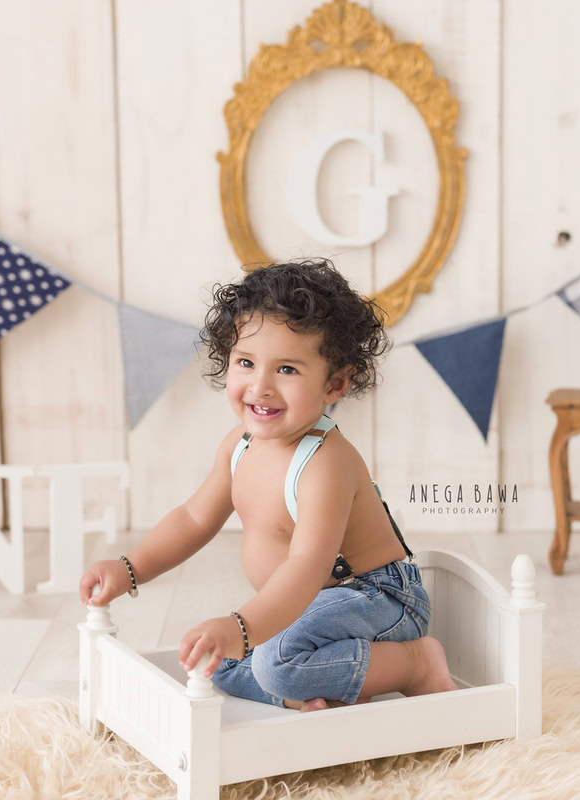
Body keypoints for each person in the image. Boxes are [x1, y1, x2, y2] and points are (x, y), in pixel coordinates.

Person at [79, 259, 457, 711]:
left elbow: (306, 567)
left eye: (287, 370)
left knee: (272, 662)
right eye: (246, 362)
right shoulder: (238, 446)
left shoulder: (324, 462)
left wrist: (241, 628)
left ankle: (415, 663)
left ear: (334, 384)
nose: (260, 386)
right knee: (214, 662)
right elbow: (194, 518)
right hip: (311, 608)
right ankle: (307, 691)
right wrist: (130, 568)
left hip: (377, 599)